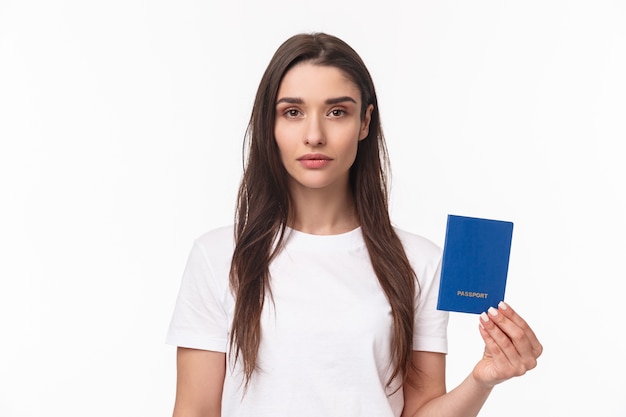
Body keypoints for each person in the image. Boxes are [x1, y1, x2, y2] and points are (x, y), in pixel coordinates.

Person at [165, 32, 542, 417]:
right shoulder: (218, 257)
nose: (314, 135)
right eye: (292, 112)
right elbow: (194, 409)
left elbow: (419, 411)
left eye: (336, 112)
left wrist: (482, 380)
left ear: (365, 122)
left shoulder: (418, 261)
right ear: (269, 124)